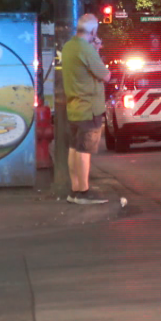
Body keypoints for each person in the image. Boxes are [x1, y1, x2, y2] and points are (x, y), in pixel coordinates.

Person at [61, 14, 111, 205]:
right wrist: (96, 50)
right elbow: (105, 75)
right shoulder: (86, 50)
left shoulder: (69, 47)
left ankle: (74, 190)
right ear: (93, 31)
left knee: (74, 149)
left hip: (74, 106)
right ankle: (84, 191)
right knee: (84, 151)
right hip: (89, 108)